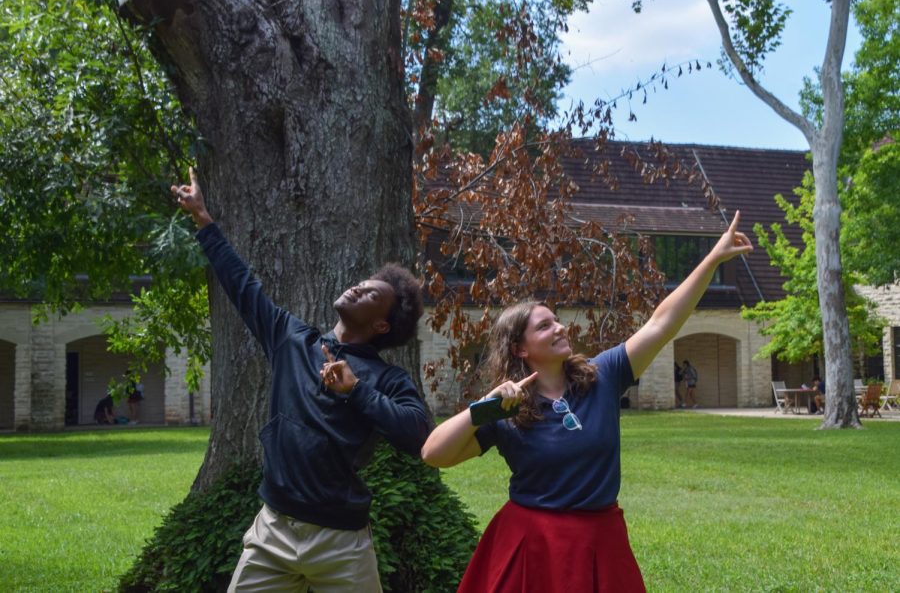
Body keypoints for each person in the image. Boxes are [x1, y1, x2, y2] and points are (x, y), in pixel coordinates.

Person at [421, 213, 752, 592]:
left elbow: (661, 323)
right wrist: (484, 408)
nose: (560, 328)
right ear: (520, 349)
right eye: (545, 326)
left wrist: (712, 260)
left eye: (557, 321)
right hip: (531, 543)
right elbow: (434, 454)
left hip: (600, 539)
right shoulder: (506, 411)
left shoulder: (603, 375)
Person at [172, 168, 431, 592]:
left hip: (342, 543)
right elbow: (243, 287)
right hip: (273, 530)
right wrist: (203, 219)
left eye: (371, 295)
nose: (357, 289)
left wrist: (357, 391)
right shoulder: (292, 340)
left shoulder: (387, 379)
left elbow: (419, 435)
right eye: (361, 283)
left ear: (383, 326)